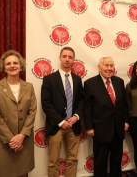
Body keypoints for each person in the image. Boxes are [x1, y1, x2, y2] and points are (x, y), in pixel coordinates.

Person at [0, 50, 37, 177]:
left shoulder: (29, 87)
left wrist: (21, 137)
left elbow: (32, 112)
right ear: (3, 67)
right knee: (2, 173)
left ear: (21, 66)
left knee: (22, 172)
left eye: (15, 63)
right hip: (2, 141)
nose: (12, 66)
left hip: (24, 139)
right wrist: (12, 139)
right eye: (8, 63)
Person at [83, 56, 129, 177]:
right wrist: (89, 127)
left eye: (111, 65)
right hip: (100, 129)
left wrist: (126, 121)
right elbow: (87, 108)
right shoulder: (90, 83)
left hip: (118, 129)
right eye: (106, 65)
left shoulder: (119, 81)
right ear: (99, 67)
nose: (109, 68)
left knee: (116, 160)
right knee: (100, 162)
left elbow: (123, 104)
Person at [41, 46, 83, 177]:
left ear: (73, 60)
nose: (67, 59)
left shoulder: (77, 79)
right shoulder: (49, 79)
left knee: (72, 159)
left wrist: (76, 116)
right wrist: (60, 121)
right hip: (56, 126)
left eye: (70, 57)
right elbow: (46, 104)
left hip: (74, 125)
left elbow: (81, 101)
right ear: (60, 58)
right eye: (64, 56)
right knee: (53, 161)